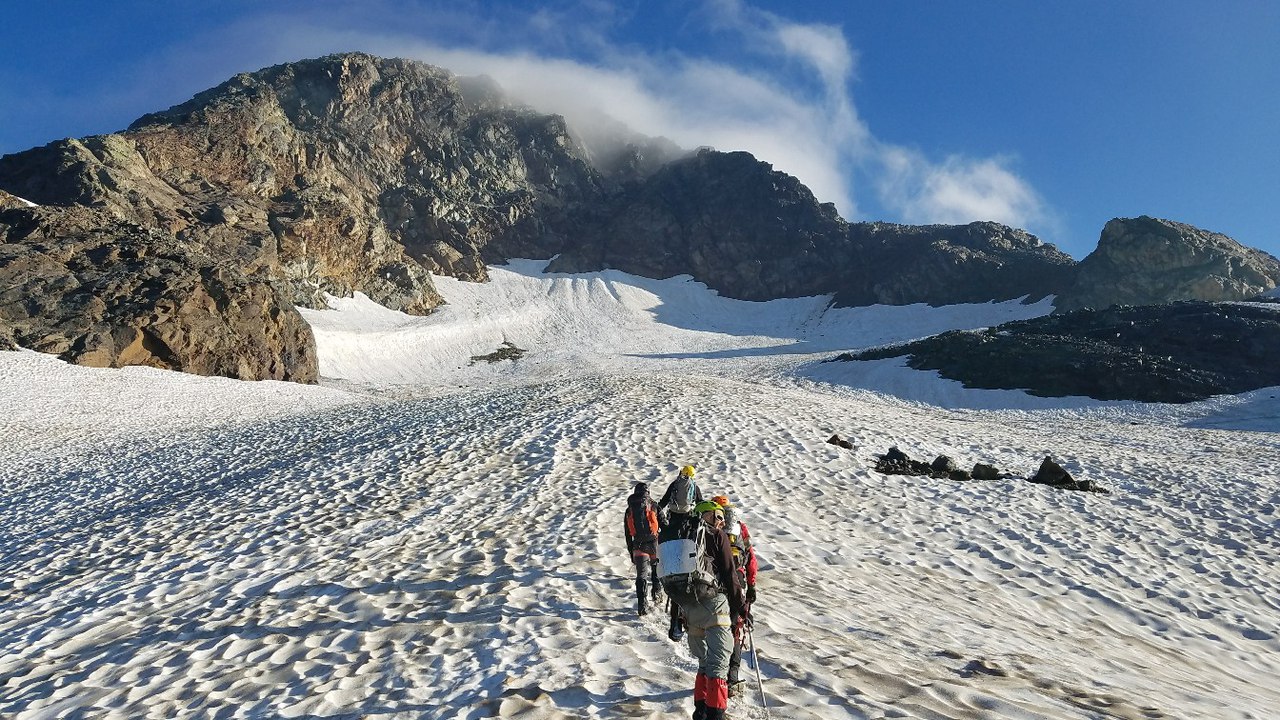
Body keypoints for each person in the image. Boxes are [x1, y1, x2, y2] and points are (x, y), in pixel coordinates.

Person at [658, 499, 745, 720]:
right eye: (718, 516)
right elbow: (730, 574)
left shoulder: (685, 539)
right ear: (706, 515)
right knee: (718, 665)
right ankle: (716, 715)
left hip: (690, 609)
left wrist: (677, 618)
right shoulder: (717, 536)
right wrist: (742, 608)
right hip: (714, 605)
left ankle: (701, 712)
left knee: (704, 663)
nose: (721, 521)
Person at [711, 494, 758, 696]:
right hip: (738, 582)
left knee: (715, 629)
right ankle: (732, 677)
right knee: (736, 630)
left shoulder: (710, 526)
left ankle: (715, 678)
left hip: (715, 583)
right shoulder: (740, 529)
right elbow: (751, 558)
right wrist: (752, 585)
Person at [658, 465, 703, 641]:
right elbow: (700, 505)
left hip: (672, 525)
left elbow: (662, 503)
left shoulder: (675, 484)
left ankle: (674, 624)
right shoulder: (695, 487)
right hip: (688, 528)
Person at [624, 482, 662, 616]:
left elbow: (628, 534)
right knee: (656, 570)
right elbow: (664, 524)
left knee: (641, 575)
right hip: (654, 543)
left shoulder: (630, 509)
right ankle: (657, 593)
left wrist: (631, 552)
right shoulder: (654, 505)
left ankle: (642, 604)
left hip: (638, 545)